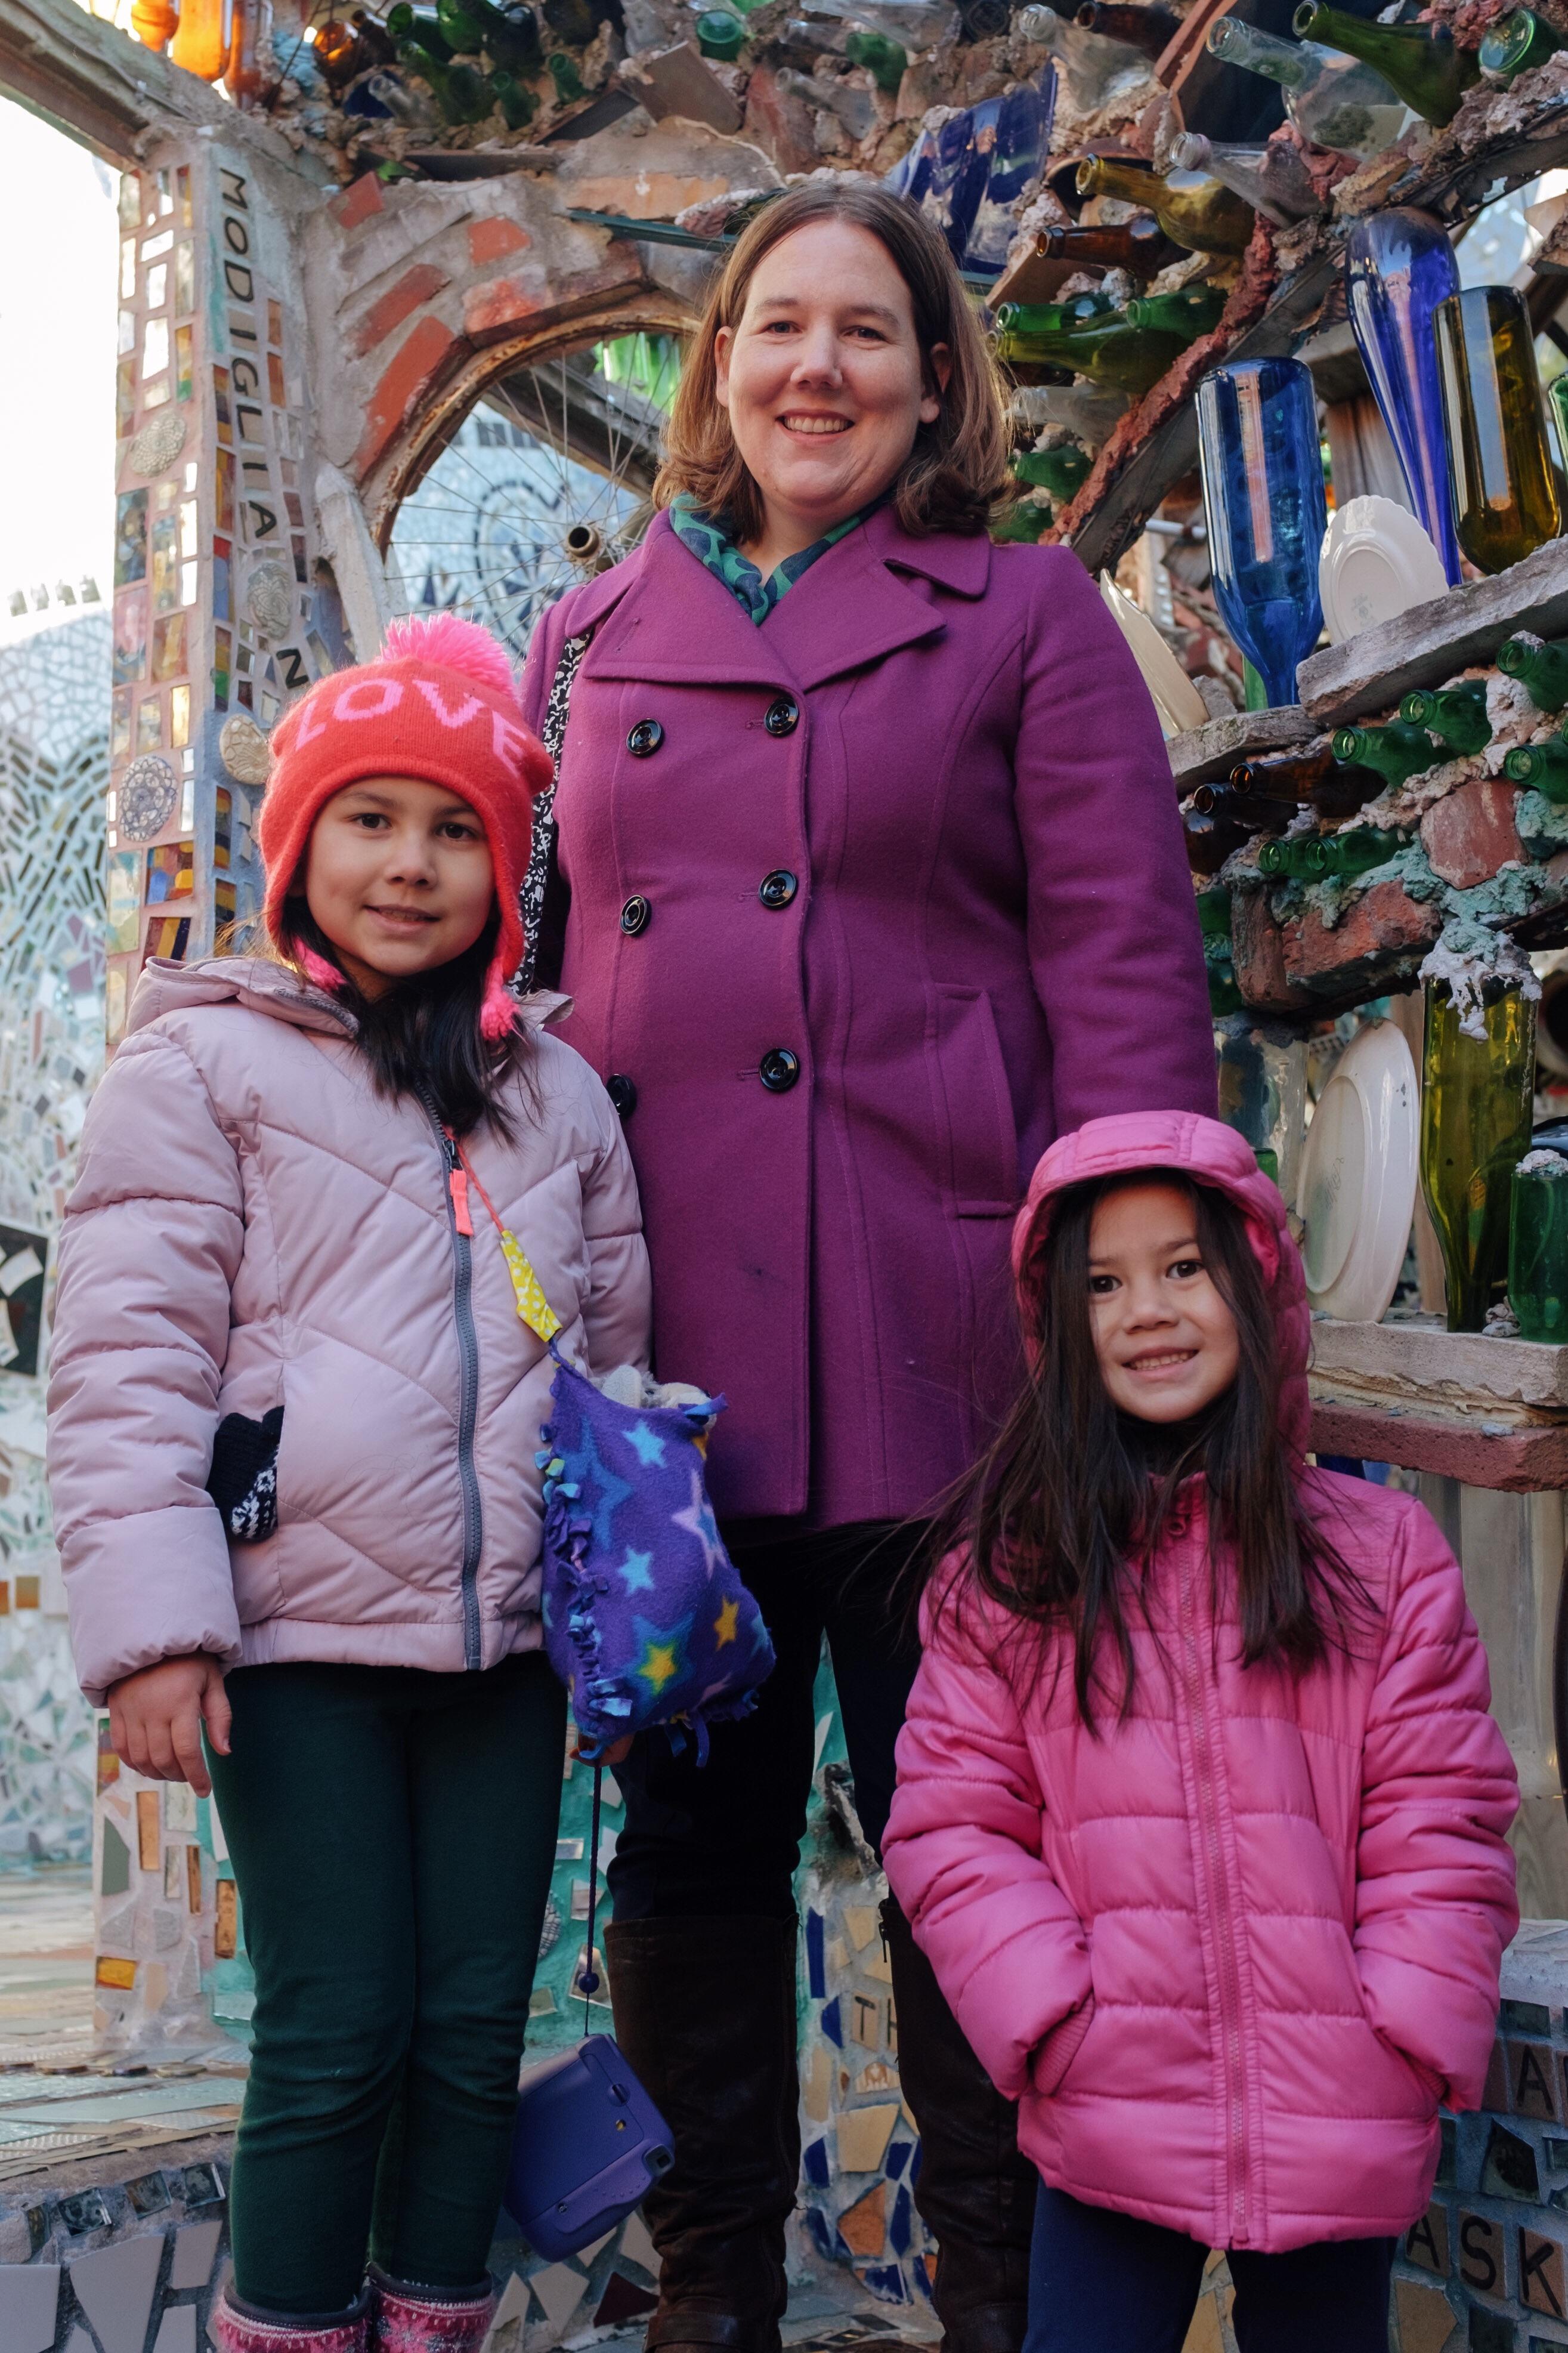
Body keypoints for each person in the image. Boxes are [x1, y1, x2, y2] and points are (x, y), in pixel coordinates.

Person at [519, 180, 1217, 2353]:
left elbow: (1126, 983)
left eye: (870, 332)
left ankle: (1013, 2315)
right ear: (718, 363)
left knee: (980, 1863)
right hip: (668, 1381)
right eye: (779, 325)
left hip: (954, 1357)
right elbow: (513, 990)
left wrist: (1140, 1306)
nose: (819, 367)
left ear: (933, 380)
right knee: (694, 1866)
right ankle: (707, 2305)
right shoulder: (588, 634)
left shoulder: (1022, 611)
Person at [48, 615, 652, 2353]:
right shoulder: (201, 1063)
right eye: (370, 819)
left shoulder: (559, 1097)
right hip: (294, 1634)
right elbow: (127, 1357)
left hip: (501, 1652)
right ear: (298, 847)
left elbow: (611, 1370)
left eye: (455, 828)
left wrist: (621, 1619)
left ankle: (434, 2329)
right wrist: (159, 1631)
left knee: (474, 2026)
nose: (411, 863)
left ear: (505, 870)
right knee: (336, 2025)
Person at [883, 1108, 1520, 2353]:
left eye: (1183, 1267)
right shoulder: (1013, 1573)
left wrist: (1401, 2024)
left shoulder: (1378, 1556)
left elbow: (1440, 1812)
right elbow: (950, 1822)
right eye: (1104, 1284)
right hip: (1109, 2098)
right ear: (1058, 1326)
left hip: (1340, 2095)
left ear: (1257, 1284)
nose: (1147, 1310)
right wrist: (1055, 2012)